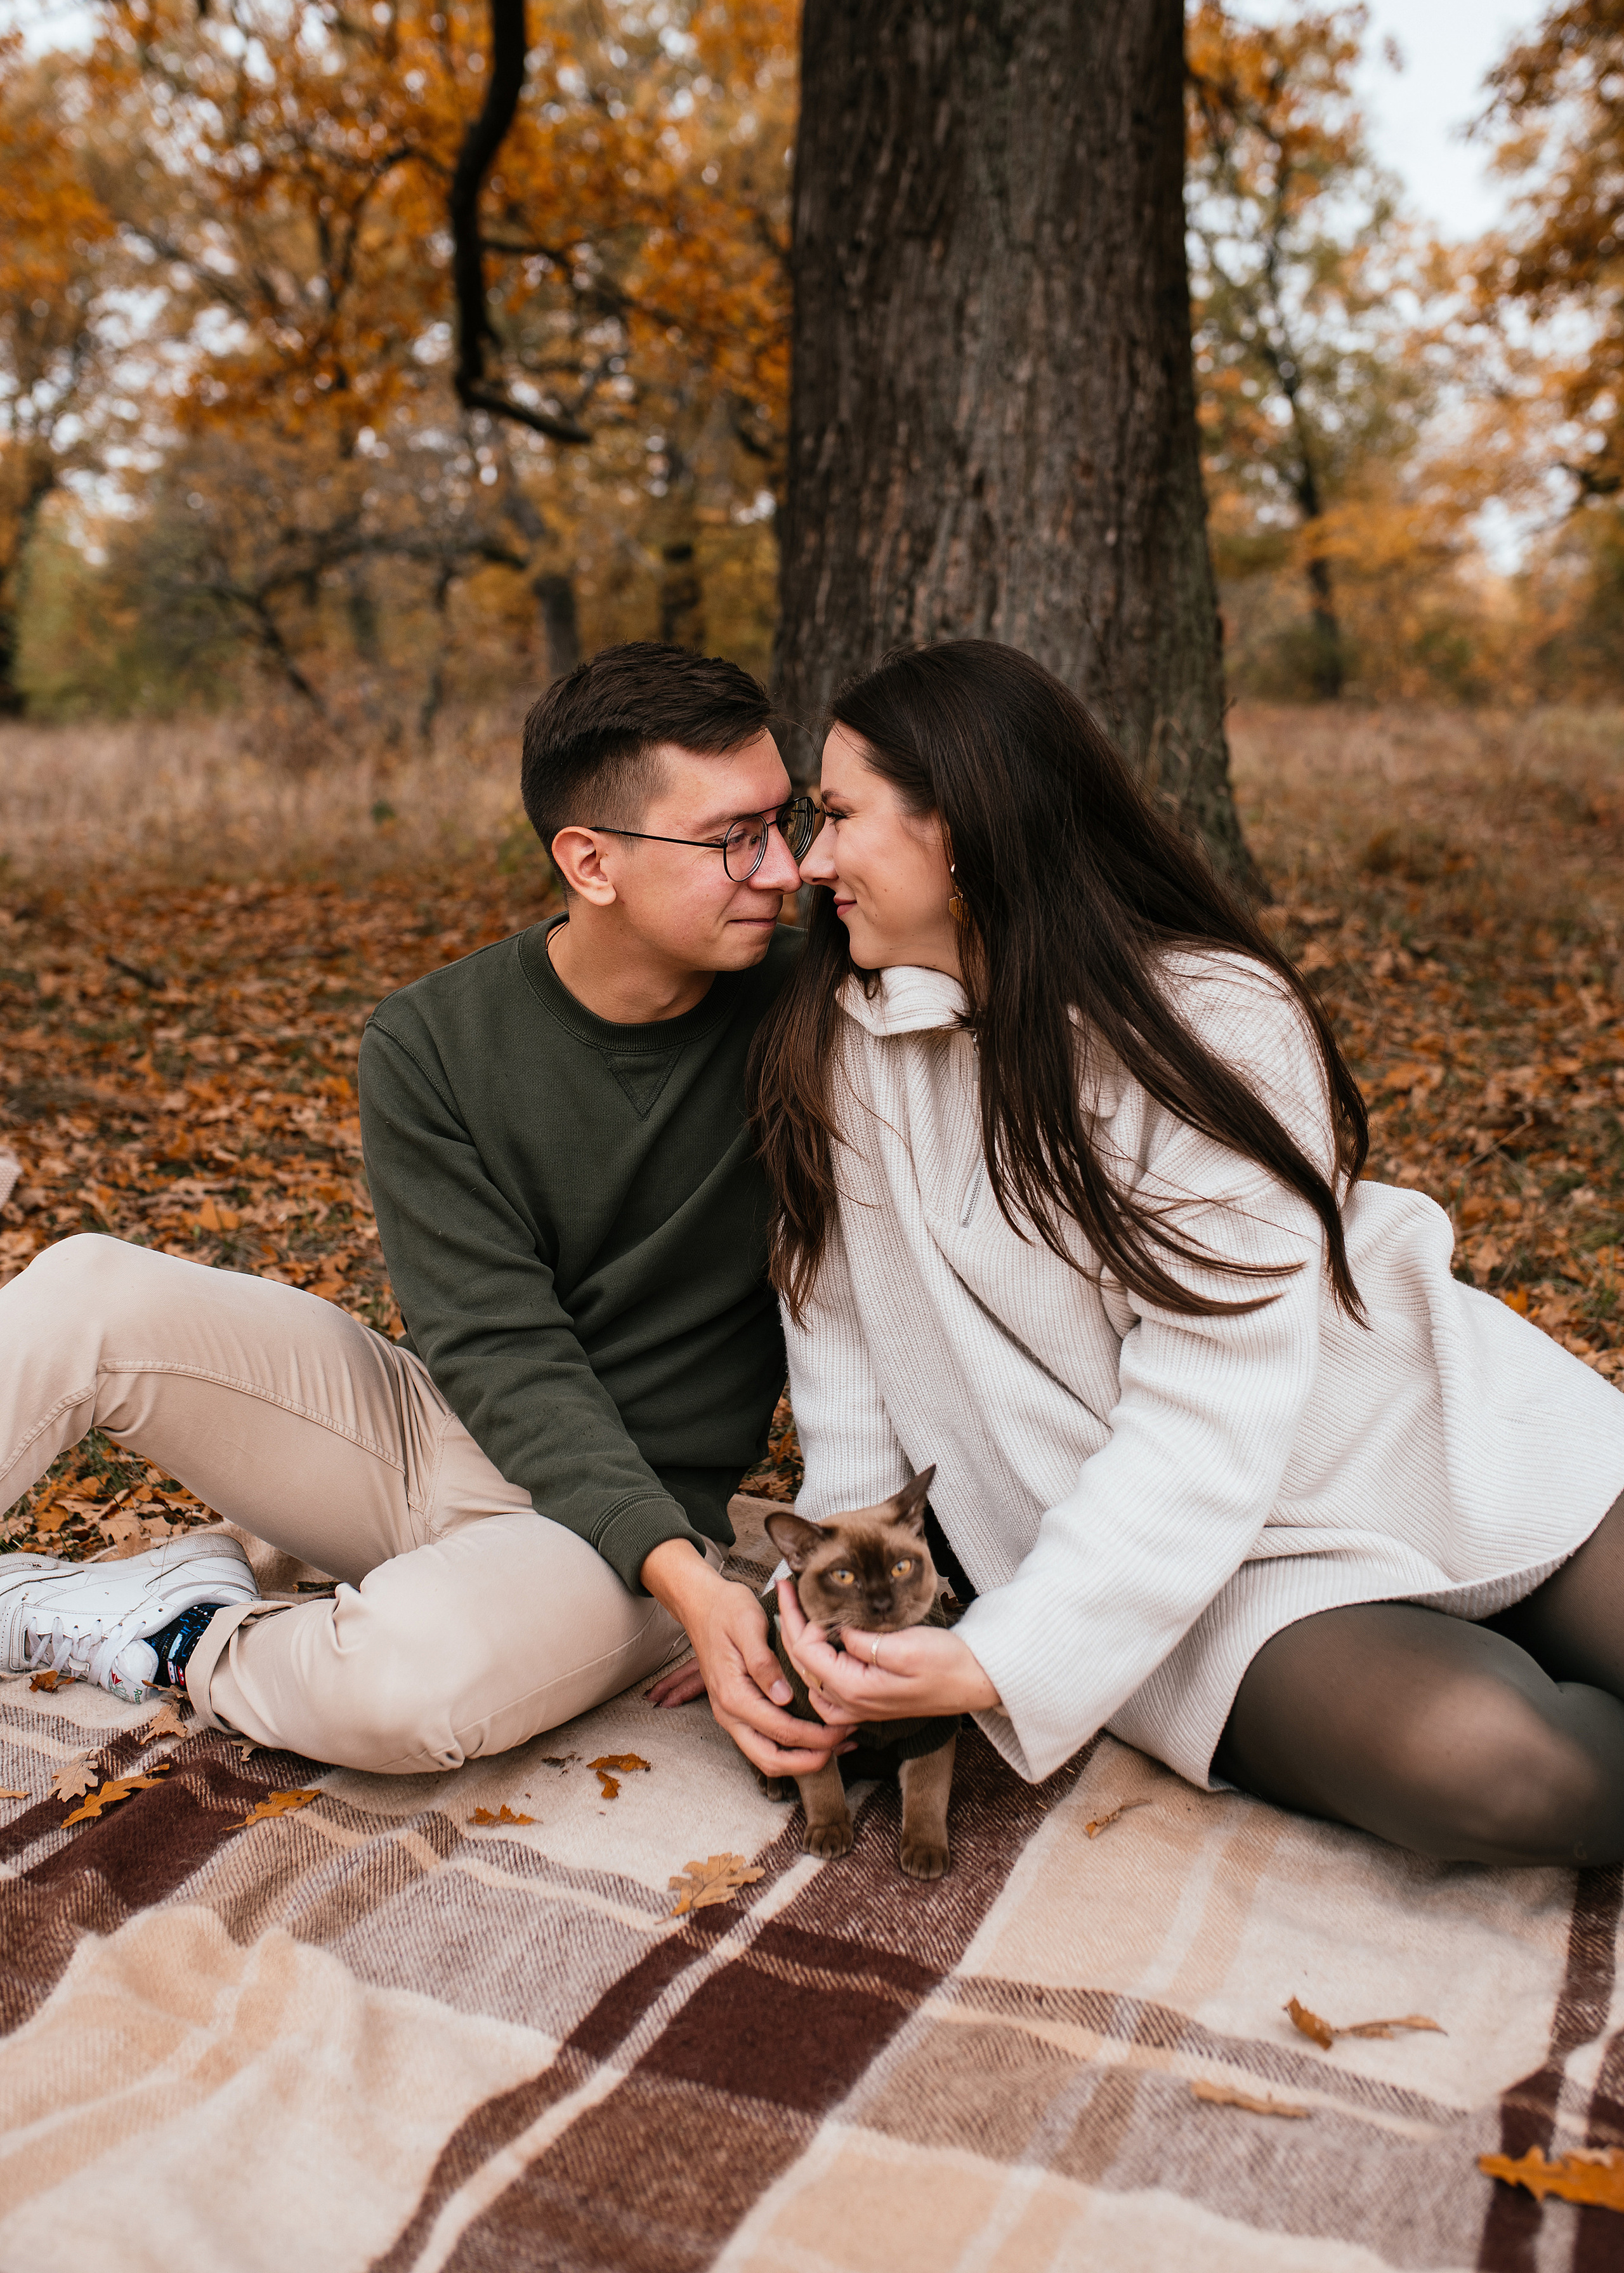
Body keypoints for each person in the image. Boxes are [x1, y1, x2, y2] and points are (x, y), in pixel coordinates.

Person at [749, 640, 1624, 1867]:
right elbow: (840, 1332)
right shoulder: (838, 1043)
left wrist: (995, 1656)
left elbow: (1216, 1401)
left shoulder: (1213, 1019)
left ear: (966, 829)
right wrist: (866, 1621)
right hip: (1190, 1562)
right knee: (1510, 1774)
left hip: (1403, 1435)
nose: (811, 859)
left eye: (837, 816)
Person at [0, 642, 845, 1788]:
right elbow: (497, 1344)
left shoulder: (818, 1020)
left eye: (782, 820)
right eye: (731, 838)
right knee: (86, 1289)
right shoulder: (432, 1039)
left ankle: (179, 1631)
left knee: (404, 1688)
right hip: (424, 1423)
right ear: (590, 862)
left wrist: (698, 1580)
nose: (783, 869)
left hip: (628, 1531)